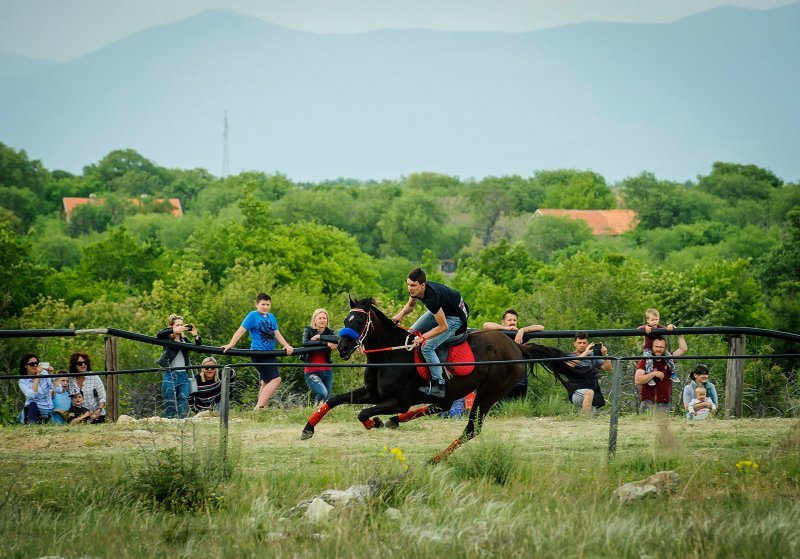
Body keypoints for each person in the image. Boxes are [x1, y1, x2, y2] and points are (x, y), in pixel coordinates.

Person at [391, 268, 469, 399]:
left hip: (455, 318)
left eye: (413, 285)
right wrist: (401, 314)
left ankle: (439, 384)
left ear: (422, 285)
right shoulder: (417, 290)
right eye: (408, 284)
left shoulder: (431, 299)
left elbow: (443, 327)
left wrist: (423, 337)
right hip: (441, 310)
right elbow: (411, 306)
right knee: (410, 334)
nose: (410, 288)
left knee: (427, 346)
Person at [222, 293, 294, 409]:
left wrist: (286, 345)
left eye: (268, 304)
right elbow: (241, 331)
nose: (265, 307)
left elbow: (277, 334)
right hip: (259, 353)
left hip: (270, 353)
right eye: (263, 304)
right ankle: (258, 409)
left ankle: (262, 410)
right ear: (256, 304)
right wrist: (231, 344)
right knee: (276, 379)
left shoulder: (271, 317)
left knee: (266, 382)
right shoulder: (252, 316)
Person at [483, 308, 545, 400]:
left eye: (514, 320)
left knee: (519, 407)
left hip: (520, 381)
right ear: (503, 322)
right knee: (502, 409)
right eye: (509, 320)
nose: (512, 322)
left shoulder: (520, 335)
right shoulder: (498, 334)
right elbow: (486, 325)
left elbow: (541, 327)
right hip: (502, 381)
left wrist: (523, 330)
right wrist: (506, 329)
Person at [156, 315, 202, 419]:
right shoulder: (167, 338)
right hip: (170, 374)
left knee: (183, 404)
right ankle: (169, 428)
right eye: (178, 325)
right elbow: (158, 334)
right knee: (170, 405)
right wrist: (174, 330)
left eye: (182, 325)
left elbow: (199, 349)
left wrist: (195, 335)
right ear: (171, 326)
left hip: (183, 376)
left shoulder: (184, 340)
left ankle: (182, 428)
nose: (181, 327)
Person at [558, 332, 612, 415]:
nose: (582, 345)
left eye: (584, 343)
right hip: (576, 393)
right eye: (579, 343)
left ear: (588, 344)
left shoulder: (592, 356)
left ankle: (585, 421)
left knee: (591, 398)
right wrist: (585, 353)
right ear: (574, 344)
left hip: (593, 394)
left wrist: (605, 355)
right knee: (589, 393)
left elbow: (608, 368)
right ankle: (584, 420)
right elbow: (567, 367)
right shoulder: (569, 356)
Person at [635, 334, 688, 413]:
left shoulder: (669, 359)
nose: (658, 349)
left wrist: (679, 335)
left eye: (661, 347)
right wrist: (653, 374)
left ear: (665, 348)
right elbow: (638, 380)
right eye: (656, 347)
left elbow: (683, 349)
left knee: (664, 425)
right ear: (652, 347)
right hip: (648, 402)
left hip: (665, 403)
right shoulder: (645, 361)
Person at [301, 308, 337, 406]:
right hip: (312, 371)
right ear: (315, 321)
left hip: (327, 371)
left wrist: (318, 337)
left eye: (324, 318)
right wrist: (325, 343)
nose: (322, 320)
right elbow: (305, 343)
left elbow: (337, 340)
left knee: (326, 399)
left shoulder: (330, 332)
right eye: (319, 318)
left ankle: (320, 416)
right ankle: (313, 411)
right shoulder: (308, 330)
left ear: (327, 320)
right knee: (322, 393)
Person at [638, 308, 680, 384]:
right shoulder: (647, 327)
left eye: (656, 319)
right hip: (648, 349)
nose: (655, 322)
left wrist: (670, 326)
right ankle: (649, 374)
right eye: (652, 320)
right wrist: (645, 327)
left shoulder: (660, 327)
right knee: (649, 359)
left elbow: (668, 328)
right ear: (647, 320)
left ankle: (673, 373)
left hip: (659, 349)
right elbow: (638, 328)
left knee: (669, 357)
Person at [67, 353, 107, 423]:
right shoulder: (70, 379)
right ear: (74, 365)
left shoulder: (94, 377)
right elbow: (59, 389)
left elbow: (102, 397)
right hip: (78, 419)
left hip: (96, 417)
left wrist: (99, 410)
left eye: (85, 362)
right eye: (80, 363)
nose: (83, 365)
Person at [18, 353, 56, 423]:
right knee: (33, 404)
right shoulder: (22, 381)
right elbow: (32, 395)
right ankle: (31, 423)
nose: (35, 365)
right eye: (32, 364)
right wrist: (38, 375)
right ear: (25, 366)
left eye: (37, 363)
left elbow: (58, 389)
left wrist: (52, 374)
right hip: (34, 411)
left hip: (48, 410)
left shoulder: (44, 373)